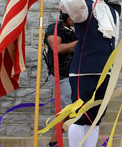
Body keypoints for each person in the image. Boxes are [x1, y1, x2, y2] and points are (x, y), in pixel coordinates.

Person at [59, 0, 119, 147]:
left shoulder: (111, 11)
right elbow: (67, 2)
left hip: (104, 71)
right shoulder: (83, 6)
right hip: (83, 71)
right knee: (80, 117)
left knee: (96, 118)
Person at [44, 12, 77, 147]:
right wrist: (77, 43)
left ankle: (54, 142)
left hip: (73, 75)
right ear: (65, 17)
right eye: (73, 17)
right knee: (69, 107)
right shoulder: (53, 29)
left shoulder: (71, 31)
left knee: (70, 108)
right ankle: (54, 143)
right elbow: (56, 48)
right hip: (61, 75)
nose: (75, 19)